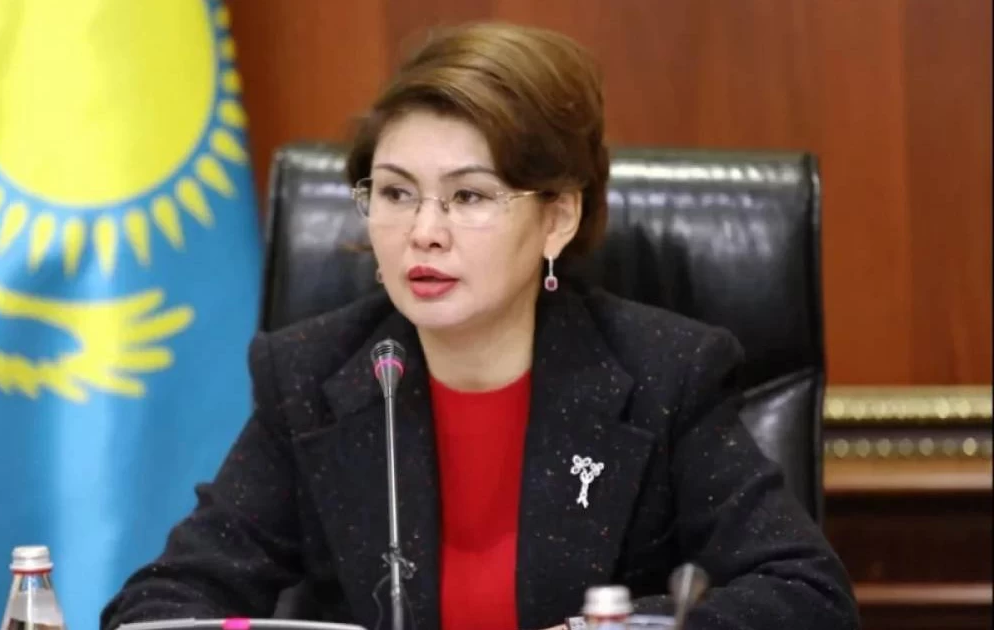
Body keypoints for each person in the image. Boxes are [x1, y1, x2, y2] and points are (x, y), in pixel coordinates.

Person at [101, 22, 859, 630]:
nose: (424, 232)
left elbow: (806, 595)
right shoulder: (310, 377)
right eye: (395, 194)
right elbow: (160, 604)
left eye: (468, 197)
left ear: (557, 217)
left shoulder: (665, 375)